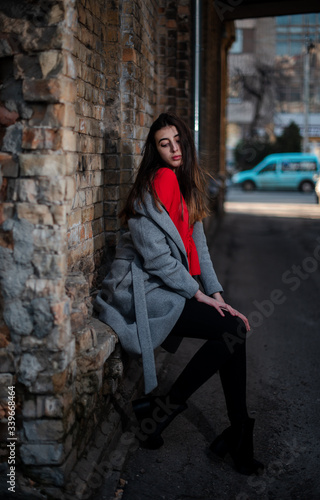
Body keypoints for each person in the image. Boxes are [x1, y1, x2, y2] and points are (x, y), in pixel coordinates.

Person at [95, 112, 264, 475]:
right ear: (155, 150)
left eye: (177, 141)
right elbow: (155, 257)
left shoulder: (185, 183)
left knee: (233, 329)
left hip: (168, 284)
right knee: (232, 331)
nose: (173, 149)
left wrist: (216, 293)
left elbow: (197, 246)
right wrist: (196, 294)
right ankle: (181, 418)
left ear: (185, 142)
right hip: (141, 286)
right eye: (163, 144)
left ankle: (221, 427)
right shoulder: (153, 185)